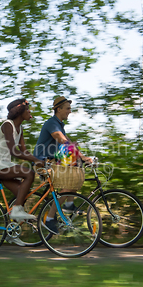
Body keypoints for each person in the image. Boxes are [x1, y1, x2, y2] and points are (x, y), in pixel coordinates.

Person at [33, 96, 92, 233]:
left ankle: (69, 204)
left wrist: (81, 157)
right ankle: (49, 219)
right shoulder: (52, 123)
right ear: (58, 109)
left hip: (52, 160)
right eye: (68, 108)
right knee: (66, 185)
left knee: (75, 168)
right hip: (43, 162)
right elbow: (62, 140)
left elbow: (69, 144)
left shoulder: (59, 124)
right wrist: (82, 157)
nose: (70, 111)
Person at [0, 98, 45, 222]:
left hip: (5, 165)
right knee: (28, 174)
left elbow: (24, 151)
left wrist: (38, 160)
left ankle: (12, 232)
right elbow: (13, 151)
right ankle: (16, 211)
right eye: (27, 110)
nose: (30, 112)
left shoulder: (20, 129)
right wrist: (35, 160)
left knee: (22, 195)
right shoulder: (7, 125)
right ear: (20, 110)